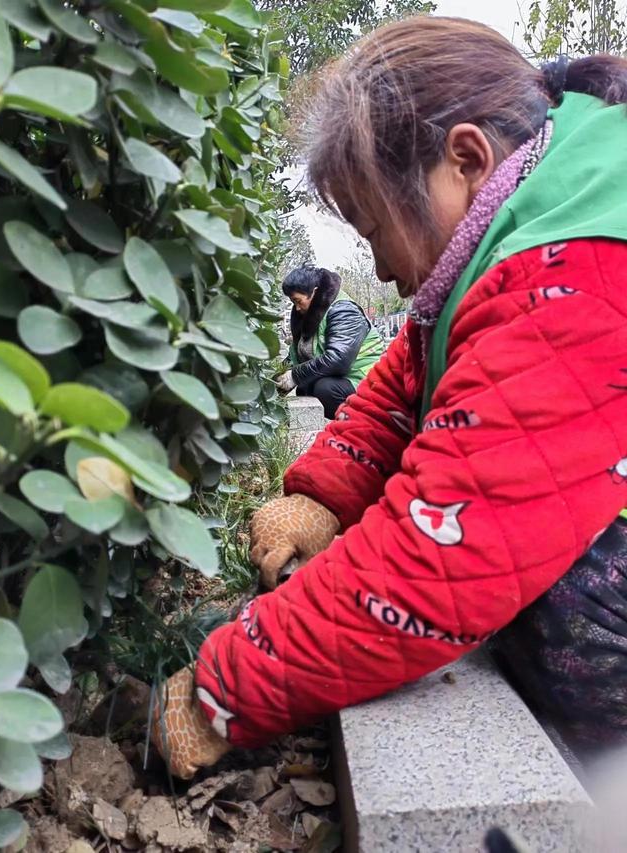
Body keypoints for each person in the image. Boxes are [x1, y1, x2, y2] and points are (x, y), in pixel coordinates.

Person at [152, 17, 627, 778]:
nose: (380, 264)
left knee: (562, 597)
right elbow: (409, 379)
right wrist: (319, 497)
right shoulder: (532, 219)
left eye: (376, 228)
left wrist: (223, 687)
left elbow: (443, 551)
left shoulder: (586, 262)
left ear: (465, 159)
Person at [276, 265, 384, 419]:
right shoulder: (310, 314)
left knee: (325, 389)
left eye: (298, 301)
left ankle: (362, 422)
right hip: (343, 378)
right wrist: (277, 379)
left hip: (367, 381)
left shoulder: (344, 311)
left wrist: (295, 375)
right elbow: (297, 355)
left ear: (314, 291)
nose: (297, 308)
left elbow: (338, 360)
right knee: (305, 387)